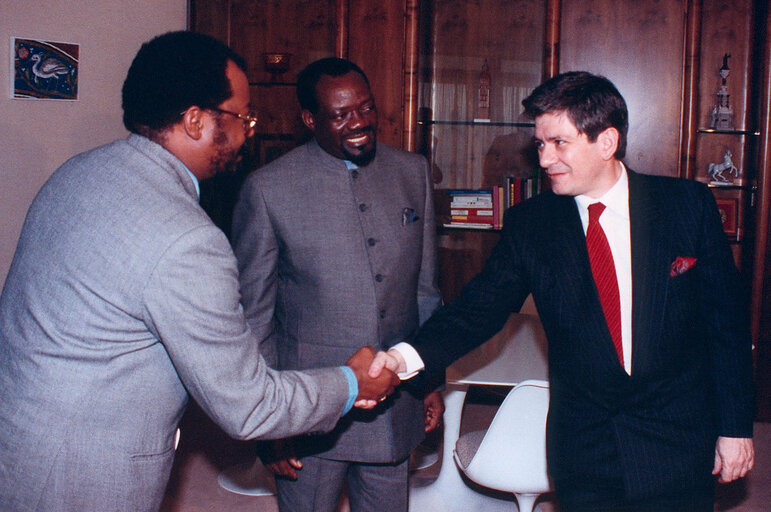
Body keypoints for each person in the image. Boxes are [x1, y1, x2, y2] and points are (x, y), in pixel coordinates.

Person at [0, 32, 399, 512]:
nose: (248, 131)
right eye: (242, 117)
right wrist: (352, 382)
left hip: (21, 441)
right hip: (84, 473)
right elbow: (249, 405)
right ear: (194, 121)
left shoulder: (78, 171)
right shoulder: (186, 239)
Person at [369, 71, 755, 511]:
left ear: (606, 142)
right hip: (584, 447)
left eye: (559, 143)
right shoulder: (531, 225)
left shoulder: (687, 206)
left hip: (677, 438)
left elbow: (726, 327)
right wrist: (403, 358)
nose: (545, 158)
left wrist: (736, 427)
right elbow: (476, 310)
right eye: (540, 144)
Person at [231, 57, 444, 512]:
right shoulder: (268, 188)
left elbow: (425, 290)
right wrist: (273, 422)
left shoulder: (412, 172)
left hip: (396, 403)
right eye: (341, 114)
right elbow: (255, 319)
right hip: (309, 411)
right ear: (310, 120)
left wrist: (429, 380)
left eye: (366, 108)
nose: (359, 123)